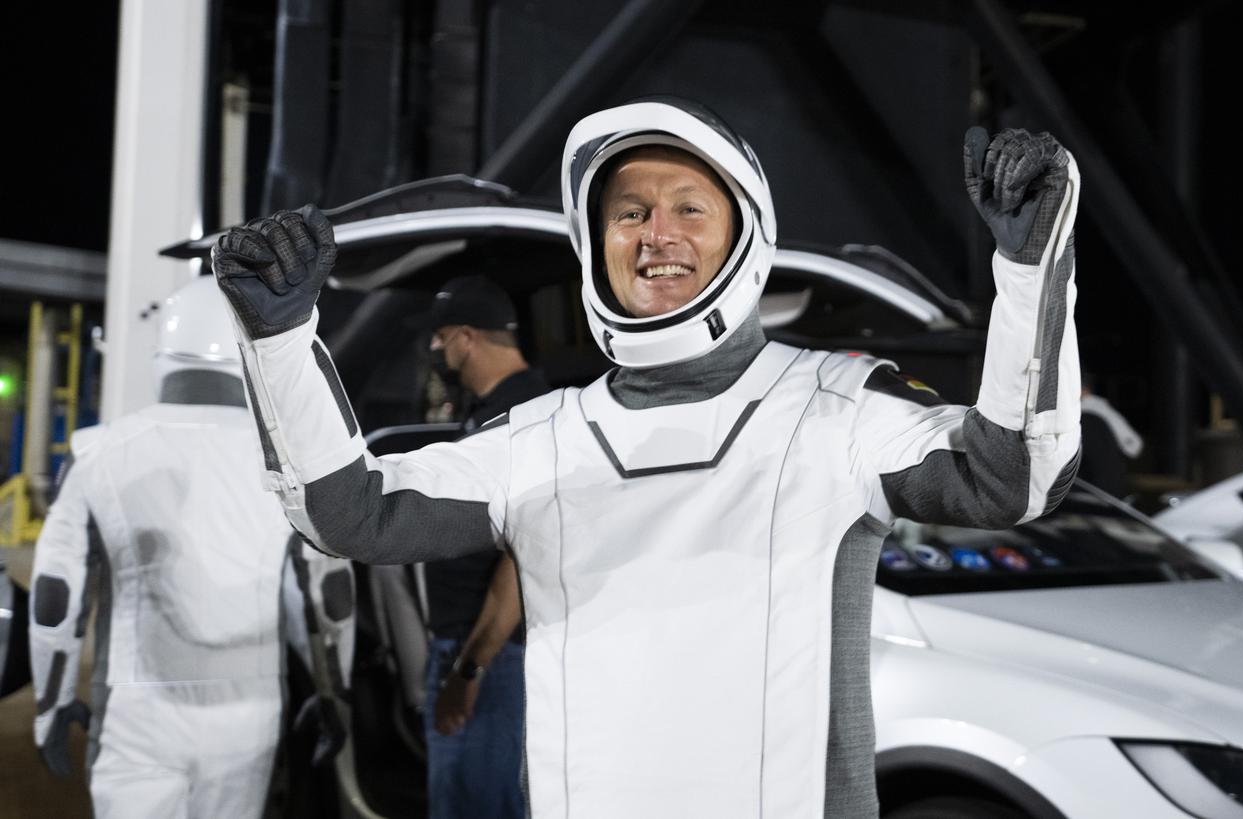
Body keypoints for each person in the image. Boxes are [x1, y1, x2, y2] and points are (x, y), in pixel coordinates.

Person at [211, 98, 1082, 817]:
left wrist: (1031, 267)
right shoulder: (539, 438)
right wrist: (281, 340)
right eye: (630, 212)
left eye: (688, 208)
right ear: (598, 245)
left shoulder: (835, 409)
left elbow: (1013, 473)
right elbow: (348, 511)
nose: (656, 233)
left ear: (746, 236)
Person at [28, 276, 354, 819]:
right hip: (247, 714)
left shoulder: (98, 453)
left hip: (138, 713)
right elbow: (326, 600)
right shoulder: (291, 465)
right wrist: (332, 697)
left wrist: (50, 704)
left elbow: (55, 598)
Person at [421, 275, 548, 818]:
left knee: (475, 805)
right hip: (483, 653)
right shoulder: (498, 410)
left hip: (490, 657)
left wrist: (468, 671)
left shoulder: (522, 417)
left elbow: (524, 559)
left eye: (440, 335)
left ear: (467, 338)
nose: (434, 348)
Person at [1079, 375, 1144, 498]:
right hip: (1099, 489)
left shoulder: (1095, 409)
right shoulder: (1096, 409)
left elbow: (1134, 446)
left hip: (1097, 489)